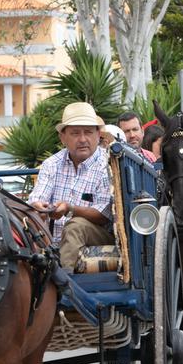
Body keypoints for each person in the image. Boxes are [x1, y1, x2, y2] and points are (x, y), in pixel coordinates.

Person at [27, 101, 114, 269]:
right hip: (52, 239)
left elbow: (104, 215)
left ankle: (63, 283)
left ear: (98, 135)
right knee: (26, 223)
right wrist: (40, 208)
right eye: (75, 133)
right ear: (63, 137)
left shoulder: (108, 165)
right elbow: (37, 199)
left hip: (97, 233)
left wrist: (69, 209)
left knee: (75, 226)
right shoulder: (51, 164)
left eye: (88, 132)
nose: (82, 139)